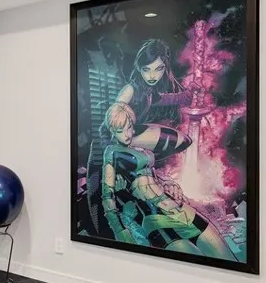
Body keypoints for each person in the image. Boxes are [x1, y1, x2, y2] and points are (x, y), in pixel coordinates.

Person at [100, 103, 235, 260]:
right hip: (153, 216)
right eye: (119, 131)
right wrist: (120, 232)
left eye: (129, 127)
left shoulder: (139, 146)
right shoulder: (111, 152)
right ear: (112, 131)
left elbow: (152, 176)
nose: (126, 134)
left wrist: (166, 184)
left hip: (177, 208)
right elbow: (107, 197)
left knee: (226, 257)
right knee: (193, 265)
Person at [116, 39, 191, 129]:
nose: (152, 76)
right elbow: (112, 122)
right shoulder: (131, 90)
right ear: (139, 68)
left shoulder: (171, 85)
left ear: (165, 67)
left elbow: (174, 99)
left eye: (159, 69)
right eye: (146, 69)